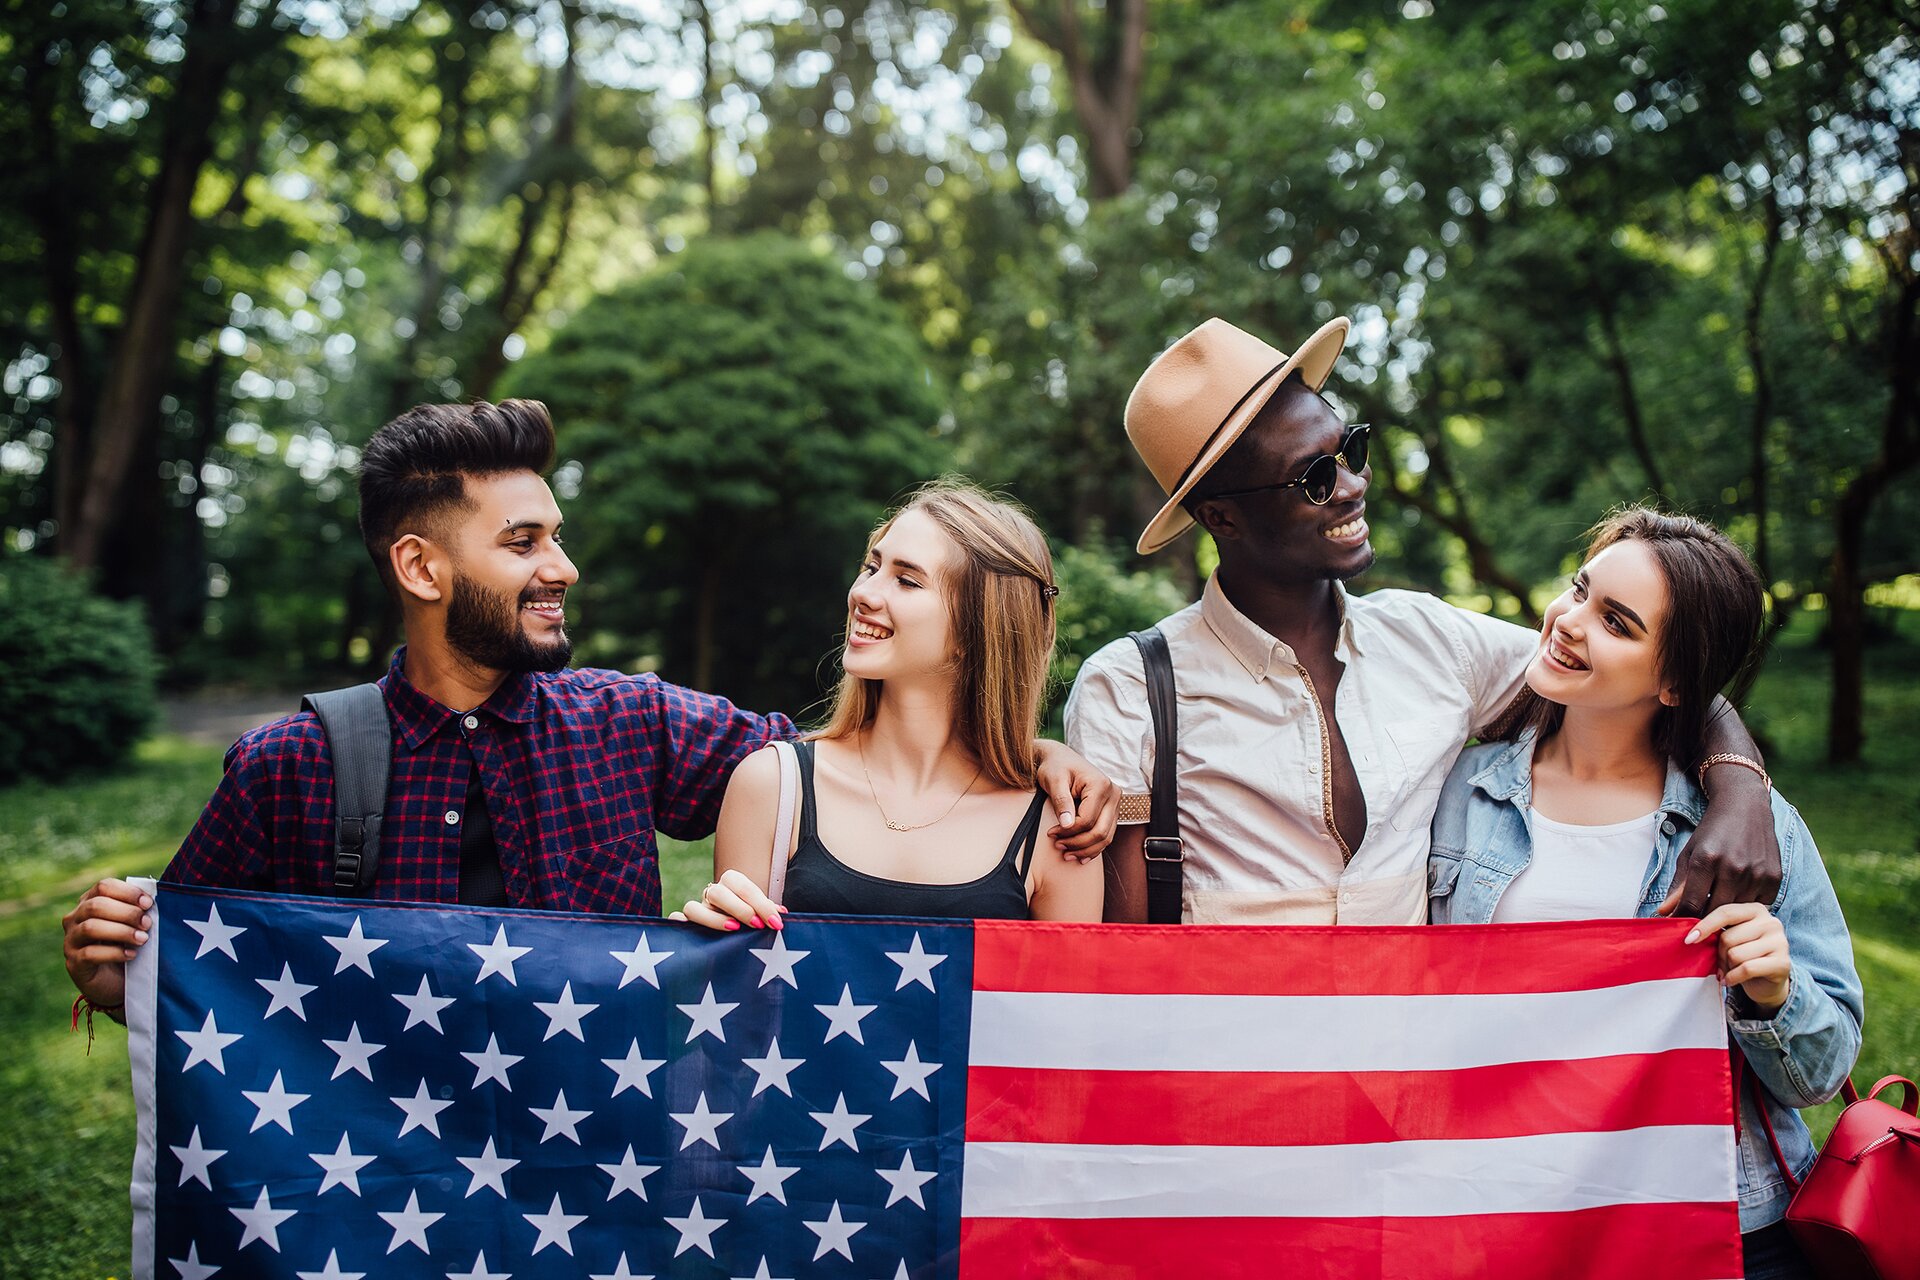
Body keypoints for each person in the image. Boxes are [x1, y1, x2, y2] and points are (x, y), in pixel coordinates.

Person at [62, 404, 1117, 1023]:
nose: (562, 565)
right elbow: (190, 987)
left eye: (555, 535)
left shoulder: (629, 722)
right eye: (524, 543)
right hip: (383, 1204)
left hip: (600, 1197)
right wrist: (116, 969)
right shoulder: (288, 765)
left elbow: (852, 765)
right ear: (422, 566)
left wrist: (1031, 749)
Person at [1066, 315, 1783, 924]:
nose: (1353, 487)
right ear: (1222, 517)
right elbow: (1122, 949)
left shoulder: (1430, 639)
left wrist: (1741, 791)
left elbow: (1638, 672)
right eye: (1316, 478)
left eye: (1350, 450)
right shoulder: (1130, 689)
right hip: (1232, 1068)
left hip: (1410, 1069)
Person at [1427, 508, 1861, 1278]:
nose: (1568, 622)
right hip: (1502, 1209)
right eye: (1580, 590)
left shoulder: (1755, 830)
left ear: (1672, 683)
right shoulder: (1458, 791)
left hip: (1711, 1221)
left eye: (1616, 623)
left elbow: (1820, 1075)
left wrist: (1772, 992)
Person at [675, 480, 1104, 928]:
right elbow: (746, 990)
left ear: (978, 629)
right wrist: (704, 958)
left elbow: (1067, 998)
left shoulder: (1060, 827)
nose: (862, 593)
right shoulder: (772, 787)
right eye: (871, 566)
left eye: (906, 580)